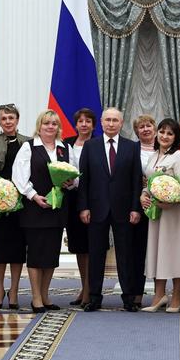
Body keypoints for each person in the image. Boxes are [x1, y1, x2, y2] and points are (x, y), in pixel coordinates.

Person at [78, 107, 143, 312]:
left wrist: (135, 208)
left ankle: (129, 298)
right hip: (96, 209)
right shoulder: (90, 146)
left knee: (126, 254)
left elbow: (135, 182)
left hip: (124, 210)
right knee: (96, 254)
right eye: (108, 120)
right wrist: (84, 207)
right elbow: (84, 180)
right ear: (102, 122)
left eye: (115, 120)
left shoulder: (132, 147)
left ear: (121, 123)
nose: (111, 124)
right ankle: (94, 297)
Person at [13, 110, 72, 313]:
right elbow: (19, 177)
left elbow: (75, 176)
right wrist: (34, 196)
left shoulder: (66, 148)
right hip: (35, 209)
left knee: (51, 255)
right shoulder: (28, 147)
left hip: (56, 209)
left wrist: (71, 182)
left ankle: (46, 295)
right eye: (46, 123)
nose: (50, 127)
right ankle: (36, 297)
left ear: (58, 128)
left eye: (54, 124)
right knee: (37, 255)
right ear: (39, 126)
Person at [140, 118, 180, 313]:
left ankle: (177, 294)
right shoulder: (153, 156)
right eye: (162, 132)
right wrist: (143, 195)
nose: (164, 136)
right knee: (156, 250)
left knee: (174, 251)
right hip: (155, 212)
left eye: (170, 133)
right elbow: (148, 182)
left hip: (173, 212)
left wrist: (169, 201)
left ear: (175, 137)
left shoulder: (179, 157)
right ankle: (159, 294)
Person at [0, 104, 30, 310]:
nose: (8, 122)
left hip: (21, 202)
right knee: (0, 247)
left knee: (18, 249)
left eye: (11, 118)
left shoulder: (28, 142)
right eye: (4, 119)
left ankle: (14, 290)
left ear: (17, 120)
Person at [65, 108, 97, 307]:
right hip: (71, 199)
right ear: (75, 125)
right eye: (80, 121)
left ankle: (90, 289)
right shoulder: (66, 143)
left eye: (88, 121)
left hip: (93, 200)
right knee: (78, 246)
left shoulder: (98, 144)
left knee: (91, 246)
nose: (84, 124)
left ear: (94, 125)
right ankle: (83, 286)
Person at [131, 114, 156, 306]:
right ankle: (136, 293)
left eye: (149, 125)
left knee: (158, 250)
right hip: (139, 205)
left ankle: (159, 292)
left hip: (163, 206)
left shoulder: (166, 149)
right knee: (138, 250)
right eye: (141, 127)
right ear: (136, 131)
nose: (146, 129)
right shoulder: (131, 150)